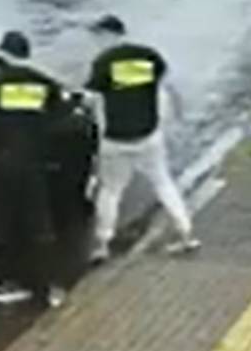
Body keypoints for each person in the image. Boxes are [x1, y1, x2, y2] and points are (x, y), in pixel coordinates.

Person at [83, 14, 199, 263]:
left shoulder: (105, 61)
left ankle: (103, 244)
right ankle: (185, 232)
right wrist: (176, 113)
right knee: (163, 182)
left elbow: (91, 99)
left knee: (111, 190)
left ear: (108, 35)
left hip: (115, 138)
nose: (95, 41)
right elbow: (166, 86)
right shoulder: (149, 57)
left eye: (97, 36)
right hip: (148, 134)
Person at [0, 31, 67, 308]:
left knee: (4, 225)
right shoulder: (43, 83)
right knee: (40, 224)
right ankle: (50, 286)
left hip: (2, 164)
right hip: (33, 162)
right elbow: (60, 116)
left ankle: (6, 285)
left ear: (4, 53)